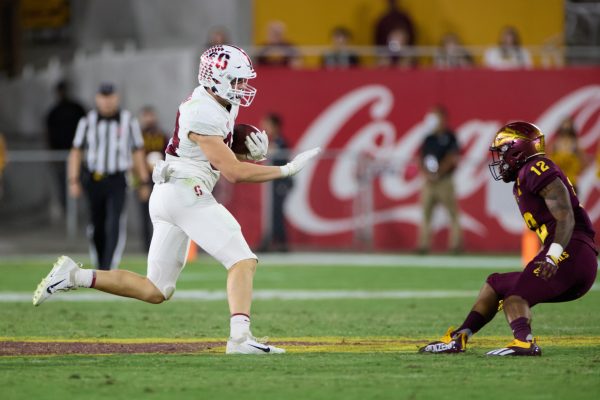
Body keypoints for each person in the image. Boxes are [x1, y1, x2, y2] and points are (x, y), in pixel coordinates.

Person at [33, 45, 321, 355]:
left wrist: (249, 151)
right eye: (237, 80)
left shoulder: (218, 102)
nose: (243, 87)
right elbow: (233, 173)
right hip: (185, 191)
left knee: (155, 289)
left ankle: (73, 275)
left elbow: (219, 155)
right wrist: (284, 169)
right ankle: (239, 339)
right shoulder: (203, 111)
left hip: (173, 191)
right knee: (242, 259)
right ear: (218, 79)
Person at [420, 121, 597, 356]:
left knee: (516, 298)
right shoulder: (526, 175)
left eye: (503, 152)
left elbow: (565, 217)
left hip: (572, 252)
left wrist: (553, 256)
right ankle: (460, 337)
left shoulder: (538, 167)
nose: (500, 159)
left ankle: (524, 342)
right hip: (573, 255)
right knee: (495, 284)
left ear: (518, 150)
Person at [66, 83, 151, 270]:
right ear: (97, 99)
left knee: (114, 222)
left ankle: (108, 266)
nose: (106, 101)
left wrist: (144, 181)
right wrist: (73, 179)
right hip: (94, 179)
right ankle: (100, 260)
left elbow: (137, 152)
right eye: (103, 97)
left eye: (110, 97)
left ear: (116, 98)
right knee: (96, 224)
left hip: (117, 179)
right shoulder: (86, 121)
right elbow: (76, 151)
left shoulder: (129, 121)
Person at [416, 105, 462, 254]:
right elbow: (421, 158)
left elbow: (452, 157)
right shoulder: (428, 138)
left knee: (453, 214)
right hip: (429, 182)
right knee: (425, 214)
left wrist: (439, 172)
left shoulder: (450, 136)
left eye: (435, 116)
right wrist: (426, 173)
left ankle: (455, 245)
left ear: (443, 118)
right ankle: (423, 245)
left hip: (444, 181)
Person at [45, 80, 86, 212]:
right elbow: (49, 134)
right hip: (61, 153)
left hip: (76, 152)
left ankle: (77, 211)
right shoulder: (54, 112)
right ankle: (68, 211)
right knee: (64, 183)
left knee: (82, 181)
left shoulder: (76, 108)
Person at [258, 113, 293, 252]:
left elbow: (272, 153)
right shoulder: (274, 142)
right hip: (274, 184)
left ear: (275, 126)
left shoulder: (280, 142)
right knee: (272, 213)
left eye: (267, 125)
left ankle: (279, 243)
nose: (264, 127)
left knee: (276, 213)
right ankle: (271, 242)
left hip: (281, 184)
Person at [136, 105, 169, 252]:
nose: (149, 119)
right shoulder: (138, 136)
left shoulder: (162, 136)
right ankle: (147, 246)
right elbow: (135, 158)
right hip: (144, 179)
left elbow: (169, 155)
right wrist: (139, 181)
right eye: (146, 116)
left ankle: (161, 245)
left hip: (161, 179)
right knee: (145, 213)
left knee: (162, 213)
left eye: (151, 115)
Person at [549, 116, 585, 194]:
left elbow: (582, 162)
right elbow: (550, 162)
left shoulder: (576, 145)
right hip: (558, 181)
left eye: (568, 132)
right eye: (563, 132)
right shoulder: (555, 144)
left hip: (572, 182)